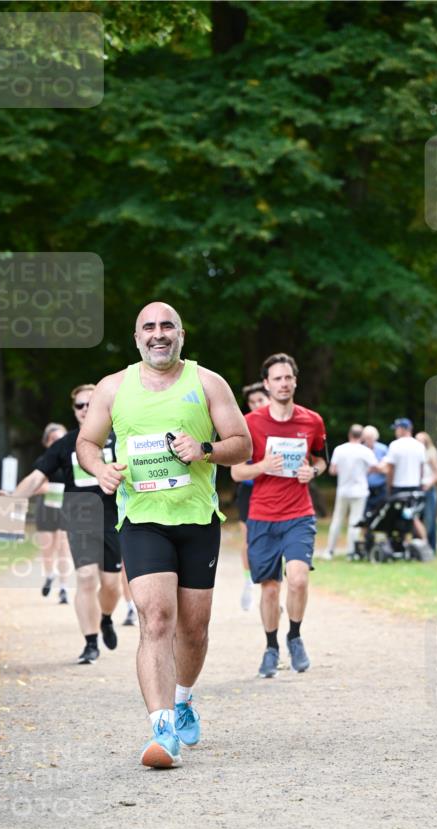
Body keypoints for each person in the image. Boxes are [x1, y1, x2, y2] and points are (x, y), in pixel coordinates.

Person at [76, 301, 251, 769]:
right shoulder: (114, 387)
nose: (158, 333)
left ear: (181, 334)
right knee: (156, 619)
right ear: (137, 338)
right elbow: (87, 443)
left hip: (197, 520)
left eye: (167, 325)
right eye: (148, 327)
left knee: (193, 630)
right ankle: (162, 728)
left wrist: (206, 449)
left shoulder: (208, 382)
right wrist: (100, 471)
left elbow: (243, 444)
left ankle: (184, 697)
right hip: (143, 518)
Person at [230, 352, 327, 678]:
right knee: (270, 588)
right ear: (267, 384)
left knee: (298, 579)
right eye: (277, 379)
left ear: (295, 381)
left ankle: (295, 636)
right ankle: (271, 647)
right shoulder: (251, 423)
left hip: (299, 514)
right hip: (262, 516)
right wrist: (262, 467)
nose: (284, 383)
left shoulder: (312, 420)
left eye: (288, 377)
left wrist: (312, 472)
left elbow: (320, 460)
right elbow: (236, 472)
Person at [11, 385, 122, 665]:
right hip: (80, 520)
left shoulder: (120, 439)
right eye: (80, 405)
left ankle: (106, 617)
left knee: (110, 585)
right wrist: (11, 500)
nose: (85, 409)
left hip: (115, 519)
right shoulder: (65, 444)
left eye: (90, 403)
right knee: (85, 577)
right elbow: (37, 478)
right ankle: (90, 642)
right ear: (74, 411)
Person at [237, 382, 270, 611]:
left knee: (271, 541)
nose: (256, 405)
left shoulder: (280, 425)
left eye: (260, 400)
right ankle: (249, 580)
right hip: (249, 489)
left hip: (274, 490)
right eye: (252, 402)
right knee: (248, 540)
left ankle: (271, 588)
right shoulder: (244, 426)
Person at [322, 424, 377, 559]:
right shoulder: (365, 451)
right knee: (355, 522)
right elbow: (375, 467)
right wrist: (365, 471)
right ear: (362, 437)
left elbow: (332, 470)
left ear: (349, 435)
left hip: (343, 490)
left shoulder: (340, 449)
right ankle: (351, 552)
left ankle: (329, 551)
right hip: (359, 491)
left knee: (337, 520)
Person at [34, 422, 73, 604]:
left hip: (65, 509)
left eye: (62, 438)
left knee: (63, 548)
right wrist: (49, 487)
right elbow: (35, 486)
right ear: (47, 442)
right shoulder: (42, 462)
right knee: (47, 549)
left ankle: (64, 588)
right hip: (45, 508)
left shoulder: (73, 461)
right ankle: (50, 575)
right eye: (54, 439)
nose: (58, 442)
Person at [379, 418, 427, 542]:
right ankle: (417, 542)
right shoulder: (419, 446)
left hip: (398, 486)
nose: (395, 431)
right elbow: (421, 468)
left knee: (396, 517)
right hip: (415, 486)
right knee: (412, 516)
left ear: (404, 429)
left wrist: (389, 487)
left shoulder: (395, 445)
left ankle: (398, 542)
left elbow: (390, 469)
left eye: (397, 428)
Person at [415, 431, 437, 554]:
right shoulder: (416, 456)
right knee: (416, 519)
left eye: (421, 441)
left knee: (429, 520)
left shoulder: (430, 455)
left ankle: (431, 548)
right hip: (417, 489)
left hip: (428, 490)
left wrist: (429, 484)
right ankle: (418, 548)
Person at [361, 425, 388, 519]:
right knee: (365, 511)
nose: (369, 440)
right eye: (367, 438)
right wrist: (377, 467)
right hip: (365, 486)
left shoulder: (383, 449)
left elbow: (387, 468)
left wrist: (373, 468)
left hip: (381, 486)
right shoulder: (360, 449)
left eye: (371, 438)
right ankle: (367, 532)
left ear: (376, 437)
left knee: (380, 510)